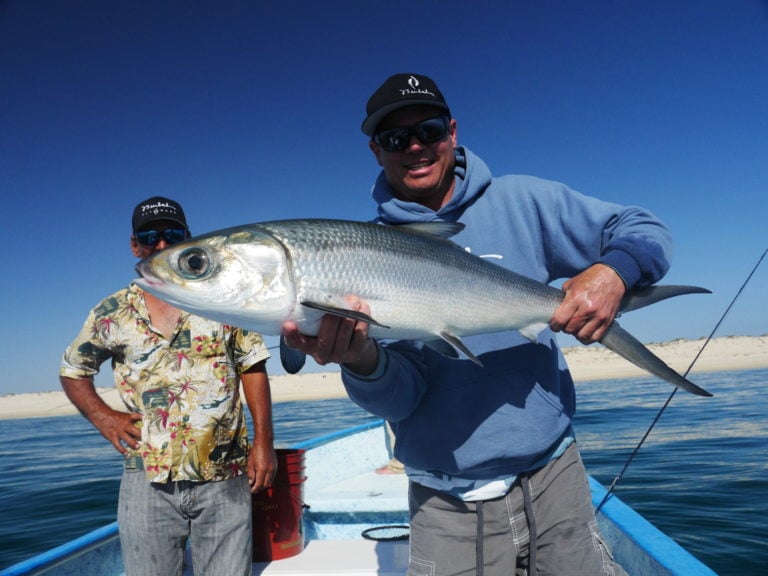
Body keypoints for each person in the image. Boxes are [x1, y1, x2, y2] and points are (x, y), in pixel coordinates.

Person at [282, 73, 674, 575]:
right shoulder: (362, 254)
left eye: (427, 130)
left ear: (452, 130)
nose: (415, 147)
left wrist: (614, 273)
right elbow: (401, 398)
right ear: (376, 151)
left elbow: (644, 229)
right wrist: (361, 361)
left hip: (555, 475)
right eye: (396, 138)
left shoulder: (525, 201)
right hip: (445, 504)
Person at [60, 196, 276, 576]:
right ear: (134, 244)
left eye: (173, 235)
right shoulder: (112, 311)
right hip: (146, 476)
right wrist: (105, 418)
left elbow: (252, 364)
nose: (161, 245)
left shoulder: (223, 298)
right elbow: (73, 369)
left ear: (189, 239)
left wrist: (264, 443)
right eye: (150, 236)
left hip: (224, 471)